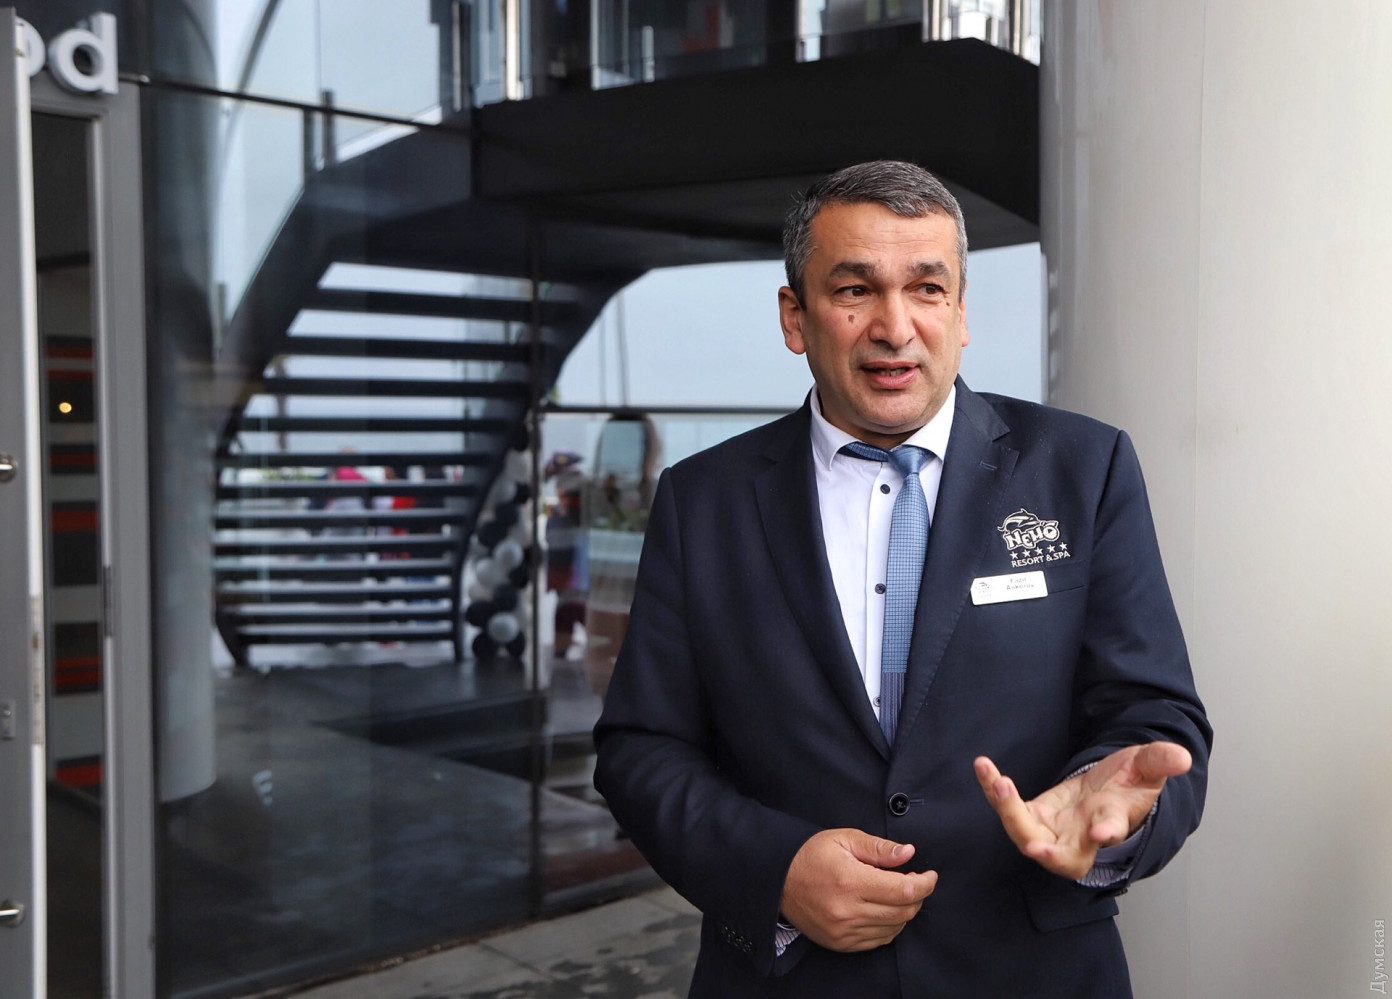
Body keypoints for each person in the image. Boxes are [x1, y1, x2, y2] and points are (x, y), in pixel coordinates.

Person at [593, 161, 1211, 998]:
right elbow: (642, 747)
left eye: (927, 288)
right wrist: (775, 869)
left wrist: (1117, 812)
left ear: (961, 313)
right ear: (795, 317)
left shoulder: (1084, 469)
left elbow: (1154, 716)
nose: (895, 327)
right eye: (855, 290)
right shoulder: (701, 500)